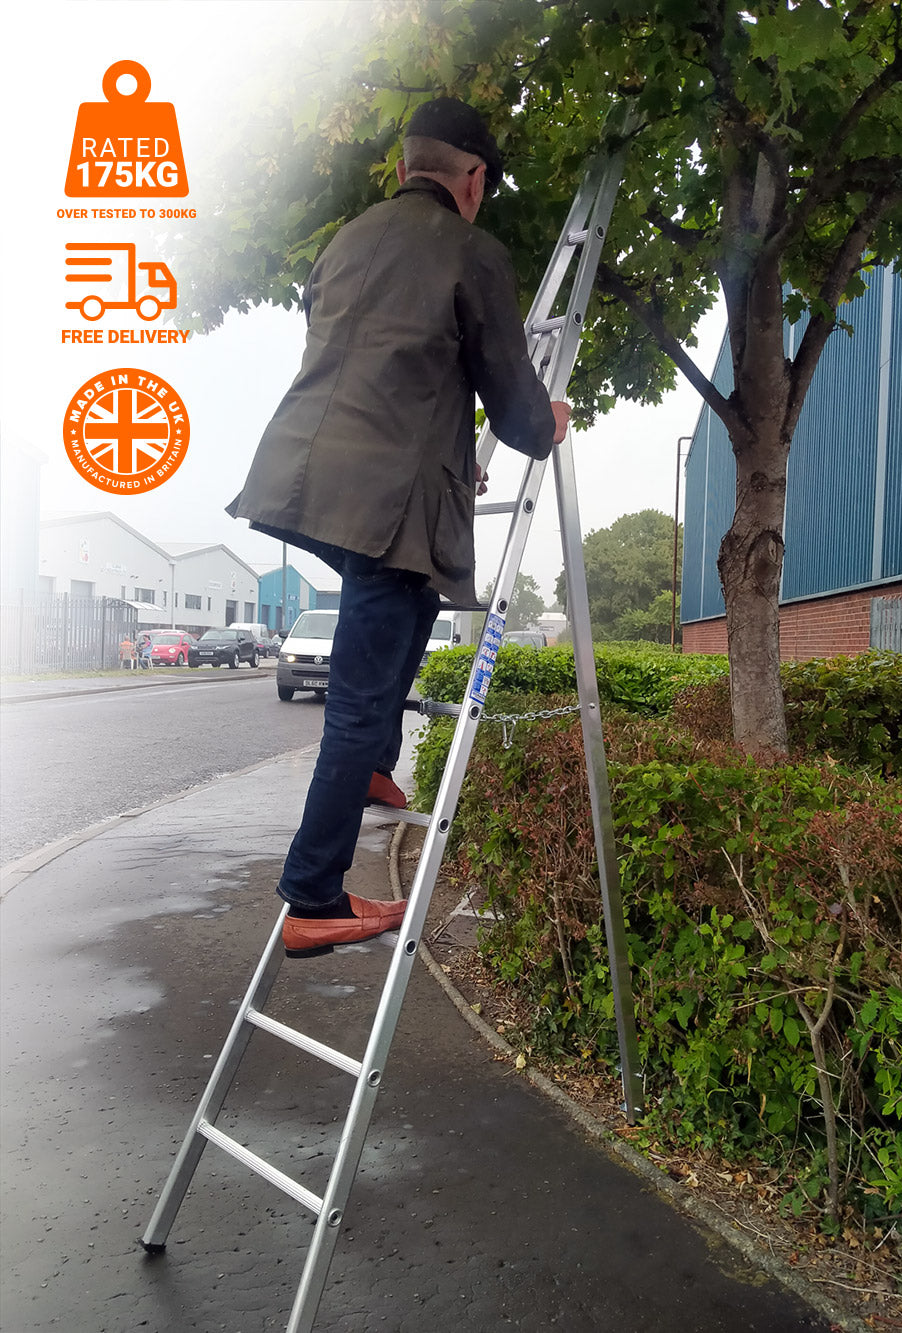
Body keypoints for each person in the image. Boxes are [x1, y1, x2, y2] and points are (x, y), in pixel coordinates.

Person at [227, 97, 569, 957]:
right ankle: (313, 896)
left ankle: (377, 760)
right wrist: (552, 420)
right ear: (474, 179)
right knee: (358, 697)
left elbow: (384, 369)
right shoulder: (471, 251)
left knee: (404, 616)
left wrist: (447, 451)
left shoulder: (346, 241)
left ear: (406, 165)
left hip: (312, 477)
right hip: (387, 506)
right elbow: (517, 406)